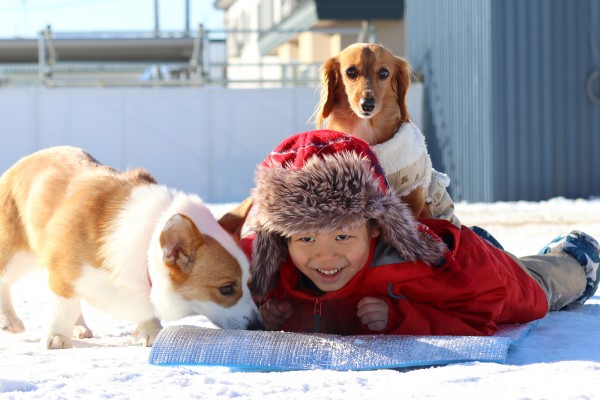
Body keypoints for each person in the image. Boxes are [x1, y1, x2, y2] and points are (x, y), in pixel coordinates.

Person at [240, 129, 600, 336]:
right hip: (466, 258)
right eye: (305, 238)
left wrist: (401, 318)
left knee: (539, 288)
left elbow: (479, 315)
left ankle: (572, 258)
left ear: (377, 229)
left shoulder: (418, 265)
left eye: (342, 236)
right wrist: (271, 314)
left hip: (489, 278)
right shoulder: (274, 265)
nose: (325, 256)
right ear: (280, 238)